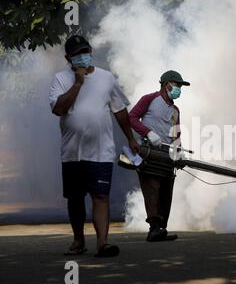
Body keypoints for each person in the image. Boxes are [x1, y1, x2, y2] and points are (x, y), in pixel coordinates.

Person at [49, 35, 139, 257]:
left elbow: (120, 110)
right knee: (75, 198)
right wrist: (78, 84)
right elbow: (58, 108)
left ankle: (103, 243)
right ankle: (78, 241)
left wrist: (130, 138)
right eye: (77, 54)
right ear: (68, 58)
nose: (82, 56)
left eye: (85, 51)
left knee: (101, 196)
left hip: (101, 151)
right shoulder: (60, 79)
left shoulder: (106, 78)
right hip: (72, 152)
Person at [129, 70, 190, 242]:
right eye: (177, 85)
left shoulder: (176, 110)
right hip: (150, 152)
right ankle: (154, 228)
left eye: (180, 87)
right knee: (152, 188)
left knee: (166, 190)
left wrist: (180, 150)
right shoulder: (149, 99)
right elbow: (132, 118)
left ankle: (161, 228)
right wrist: (148, 133)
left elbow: (176, 134)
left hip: (168, 154)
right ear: (167, 84)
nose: (179, 89)